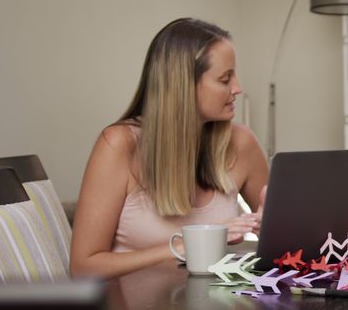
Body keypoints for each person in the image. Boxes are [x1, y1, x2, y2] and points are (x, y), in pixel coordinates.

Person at [71, 18, 268, 279]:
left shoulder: (242, 143)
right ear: (183, 86)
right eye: (224, 79)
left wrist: (272, 229)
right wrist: (186, 246)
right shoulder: (119, 145)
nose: (238, 88)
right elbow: (83, 268)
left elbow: (286, 245)